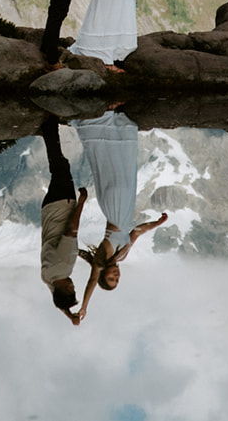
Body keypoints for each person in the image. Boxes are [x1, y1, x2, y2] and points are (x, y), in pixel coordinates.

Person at [72, 110, 168, 310]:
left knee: (112, 166)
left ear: (102, 275)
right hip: (125, 206)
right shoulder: (122, 256)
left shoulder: (101, 260)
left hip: (114, 207)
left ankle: (102, 122)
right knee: (124, 164)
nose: (115, 276)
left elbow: (91, 283)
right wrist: (156, 224)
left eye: (110, 278)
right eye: (117, 280)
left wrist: (84, 307)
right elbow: (136, 232)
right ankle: (117, 123)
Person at [38, 117, 89, 322]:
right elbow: (56, 297)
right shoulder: (48, 276)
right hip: (49, 208)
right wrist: (69, 315)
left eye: (72, 290)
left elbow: (71, 230)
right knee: (58, 167)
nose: (73, 286)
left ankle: (48, 126)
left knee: (60, 166)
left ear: (66, 289)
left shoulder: (64, 266)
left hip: (62, 205)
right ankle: (48, 129)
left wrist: (82, 202)